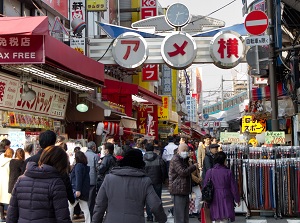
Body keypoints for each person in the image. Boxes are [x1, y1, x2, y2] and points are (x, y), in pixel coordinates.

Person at [92, 149, 167, 223]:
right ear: (141, 163)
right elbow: (155, 205)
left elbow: (100, 205)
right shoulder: (144, 181)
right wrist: (162, 219)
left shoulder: (109, 179)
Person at [6, 146, 72, 223]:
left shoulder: (21, 180)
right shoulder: (56, 183)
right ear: (61, 164)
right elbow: (63, 218)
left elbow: (11, 214)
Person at [23, 130, 75, 204]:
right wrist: (71, 198)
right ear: (54, 142)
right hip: (54, 200)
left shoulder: (29, 161)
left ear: (40, 143)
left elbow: (23, 182)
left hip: (32, 200)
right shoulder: (59, 159)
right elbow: (65, 178)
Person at [203, 152, 241, 223]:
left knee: (216, 218)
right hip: (226, 196)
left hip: (213, 197)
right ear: (224, 160)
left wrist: (205, 199)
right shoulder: (228, 172)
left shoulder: (210, 172)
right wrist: (237, 199)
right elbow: (233, 187)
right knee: (225, 217)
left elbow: (205, 186)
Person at [169, 143, 197, 223]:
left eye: (186, 151)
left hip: (184, 190)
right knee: (180, 217)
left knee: (185, 216)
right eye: (183, 150)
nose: (185, 152)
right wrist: (193, 166)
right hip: (178, 190)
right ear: (178, 151)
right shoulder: (176, 159)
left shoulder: (184, 160)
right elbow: (183, 172)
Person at [143, 143, 167, 222]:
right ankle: (157, 216)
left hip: (146, 182)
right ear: (153, 149)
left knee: (148, 199)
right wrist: (163, 179)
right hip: (157, 181)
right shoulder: (158, 158)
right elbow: (163, 170)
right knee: (157, 199)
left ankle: (149, 216)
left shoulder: (142, 159)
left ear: (145, 149)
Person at [69, 151, 91, 223]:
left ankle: (69, 220)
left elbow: (78, 178)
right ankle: (88, 221)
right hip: (83, 190)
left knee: (70, 206)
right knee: (85, 208)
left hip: (76, 190)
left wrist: (78, 190)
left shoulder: (78, 166)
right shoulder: (85, 167)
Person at [84, 141, 99, 217]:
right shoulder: (95, 156)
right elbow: (97, 168)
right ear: (93, 147)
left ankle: (86, 215)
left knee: (84, 199)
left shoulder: (83, 154)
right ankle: (90, 216)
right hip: (92, 179)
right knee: (91, 199)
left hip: (83, 179)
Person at [0, 148, 14, 222]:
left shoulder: (0, 160)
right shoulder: (11, 162)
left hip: (0, 182)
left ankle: (2, 217)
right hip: (8, 182)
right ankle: (9, 217)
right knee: (10, 201)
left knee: (0, 200)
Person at [189, 149, 202, 218]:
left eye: (192, 151)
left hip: (195, 182)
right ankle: (189, 211)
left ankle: (195, 210)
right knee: (189, 197)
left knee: (199, 195)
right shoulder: (185, 161)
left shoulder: (193, 160)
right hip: (189, 181)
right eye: (189, 151)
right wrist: (197, 179)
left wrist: (199, 178)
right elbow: (189, 173)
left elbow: (197, 171)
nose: (191, 152)